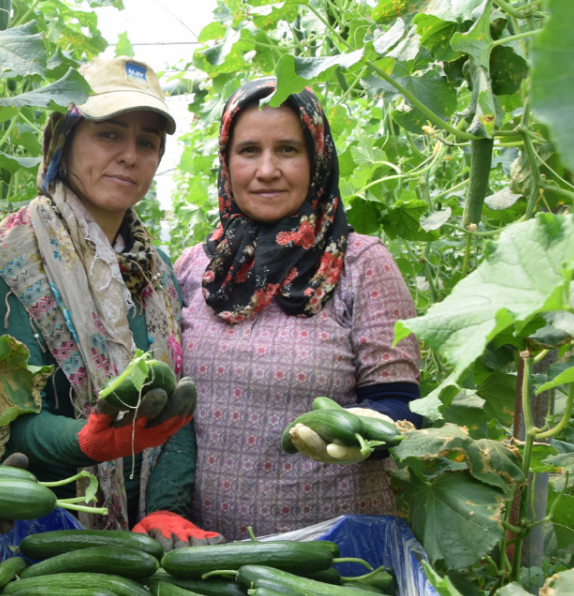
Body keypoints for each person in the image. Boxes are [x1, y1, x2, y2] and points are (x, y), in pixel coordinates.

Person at [0, 57, 221, 550]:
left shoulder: (157, 271)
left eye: (147, 143)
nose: (129, 155)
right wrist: (86, 442)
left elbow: (177, 411)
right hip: (38, 521)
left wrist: (166, 506)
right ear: (64, 139)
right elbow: (6, 423)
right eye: (109, 134)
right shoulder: (8, 262)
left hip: (138, 539)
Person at [174, 77, 423, 540]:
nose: (267, 170)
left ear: (317, 159)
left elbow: (403, 403)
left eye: (288, 149)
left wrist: (364, 436)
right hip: (205, 555)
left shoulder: (363, 264)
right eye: (249, 150)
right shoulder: (193, 268)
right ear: (226, 163)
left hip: (337, 555)